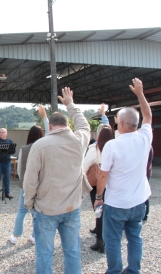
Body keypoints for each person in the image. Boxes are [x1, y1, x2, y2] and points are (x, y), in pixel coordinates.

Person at [23, 87, 91, 274]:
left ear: (50, 126)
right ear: (68, 124)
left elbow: (30, 180)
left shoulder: (40, 145)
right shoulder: (79, 141)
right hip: (72, 207)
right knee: (72, 252)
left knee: (44, 253)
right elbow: (84, 126)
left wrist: (29, 203)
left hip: (46, 208)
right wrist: (70, 104)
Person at [94, 78, 152, 274]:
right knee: (135, 237)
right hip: (138, 201)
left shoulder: (113, 145)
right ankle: (133, 270)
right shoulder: (145, 138)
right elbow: (148, 115)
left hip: (116, 202)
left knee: (113, 240)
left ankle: (114, 271)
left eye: (118, 120)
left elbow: (103, 176)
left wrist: (99, 197)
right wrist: (140, 94)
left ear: (124, 124)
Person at [10, 105, 49, 245]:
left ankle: (15, 236)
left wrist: (23, 181)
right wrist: (44, 116)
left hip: (26, 184)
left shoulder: (24, 149)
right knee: (36, 212)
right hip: (41, 184)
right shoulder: (45, 147)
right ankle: (34, 236)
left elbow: (20, 169)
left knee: (22, 211)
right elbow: (50, 132)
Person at [83, 125, 114, 253]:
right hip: (113, 185)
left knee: (99, 212)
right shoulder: (116, 147)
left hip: (97, 186)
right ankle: (109, 239)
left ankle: (100, 241)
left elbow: (84, 166)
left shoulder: (95, 149)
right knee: (110, 213)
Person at [143, 146, 153, 222]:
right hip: (147, 172)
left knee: (144, 193)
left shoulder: (147, 146)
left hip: (145, 172)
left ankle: (145, 214)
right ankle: (145, 214)